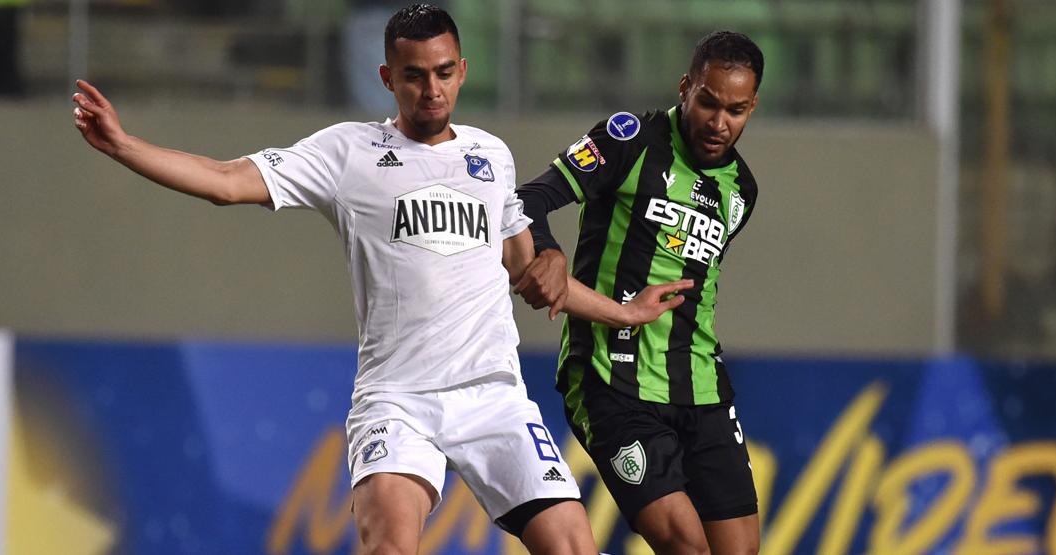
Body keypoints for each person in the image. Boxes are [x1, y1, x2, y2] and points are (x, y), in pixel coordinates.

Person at [71, 4, 691, 554]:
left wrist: (623, 311)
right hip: (399, 398)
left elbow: (526, 271)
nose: (431, 89)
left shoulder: (490, 155)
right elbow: (228, 181)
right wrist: (125, 146)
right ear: (387, 78)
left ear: (463, 70)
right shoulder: (347, 152)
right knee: (391, 546)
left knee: (572, 548)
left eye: (444, 72)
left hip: (493, 394)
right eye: (414, 75)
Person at [514, 31, 766, 554]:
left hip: (702, 388)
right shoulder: (629, 141)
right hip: (614, 383)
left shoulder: (742, 189)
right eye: (708, 102)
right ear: (685, 88)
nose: (720, 123)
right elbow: (529, 198)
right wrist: (548, 251)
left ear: (752, 106)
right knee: (686, 546)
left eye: (736, 110)